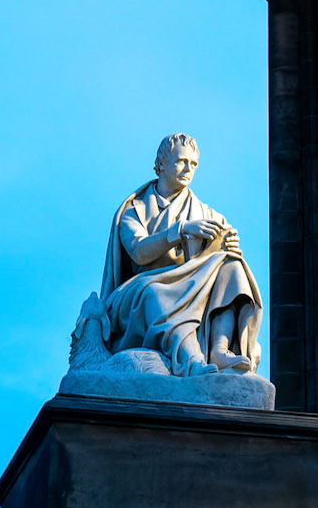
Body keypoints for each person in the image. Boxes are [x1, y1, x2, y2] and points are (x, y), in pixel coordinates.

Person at [93, 133, 262, 376]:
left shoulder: (207, 214)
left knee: (233, 266)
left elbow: (214, 258)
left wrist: (228, 248)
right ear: (161, 163)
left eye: (193, 164)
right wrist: (180, 231)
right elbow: (139, 252)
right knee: (156, 293)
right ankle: (192, 362)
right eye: (182, 161)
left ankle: (219, 348)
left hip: (190, 285)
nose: (188, 169)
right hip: (138, 291)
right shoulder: (134, 210)